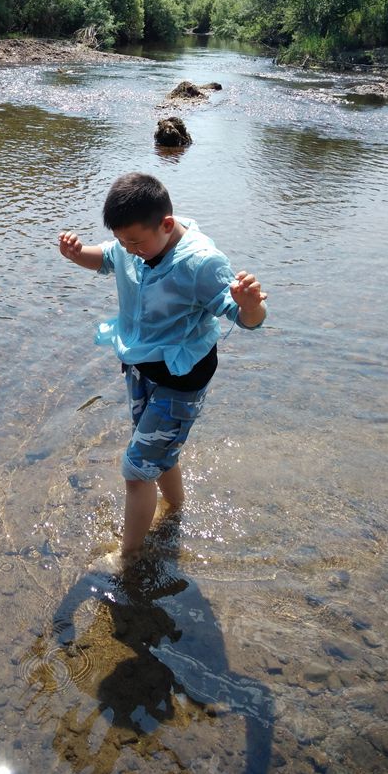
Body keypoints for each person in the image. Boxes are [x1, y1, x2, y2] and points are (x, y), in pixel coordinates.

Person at [58, 172, 267, 558]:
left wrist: (251, 305)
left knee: (136, 470)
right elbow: (106, 257)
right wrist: (78, 253)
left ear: (166, 225)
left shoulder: (201, 263)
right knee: (157, 452)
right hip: (142, 366)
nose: (129, 249)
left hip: (182, 377)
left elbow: (247, 319)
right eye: (123, 241)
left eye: (135, 242)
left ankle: (128, 558)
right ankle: (175, 510)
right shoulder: (133, 240)